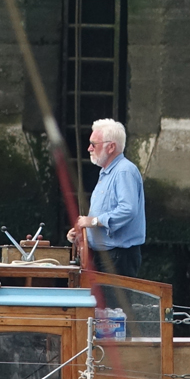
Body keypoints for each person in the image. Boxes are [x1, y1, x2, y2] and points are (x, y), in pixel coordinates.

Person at [68, 118, 146, 277]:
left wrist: (93, 221)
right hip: (105, 255)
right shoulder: (106, 173)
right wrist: (82, 232)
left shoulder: (124, 171)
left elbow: (128, 210)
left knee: (114, 302)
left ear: (111, 147)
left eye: (93, 144)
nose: (89, 148)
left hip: (118, 256)